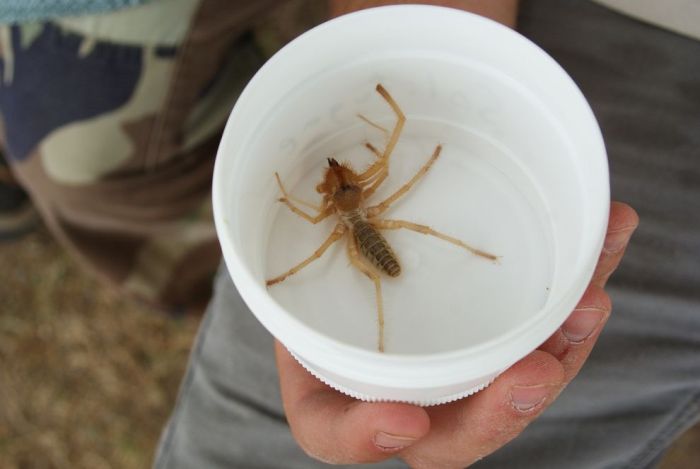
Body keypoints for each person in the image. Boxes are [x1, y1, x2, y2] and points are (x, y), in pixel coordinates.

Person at [1, 1, 697, 468]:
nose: (342, 187)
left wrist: (330, 183)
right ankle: (213, 287)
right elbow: (324, 218)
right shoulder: (353, 211)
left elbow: (334, 208)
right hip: (369, 238)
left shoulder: (347, 208)